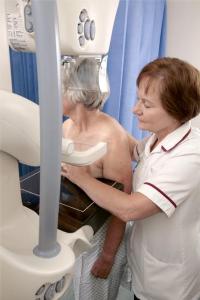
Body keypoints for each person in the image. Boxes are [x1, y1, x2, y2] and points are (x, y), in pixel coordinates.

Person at [62, 57, 200, 300]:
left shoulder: (191, 156)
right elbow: (135, 148)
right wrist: (102, 125)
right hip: (144, 260)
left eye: (146, 104)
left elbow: (129, 208)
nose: (135, 109)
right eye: (138, 99)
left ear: (176, 109)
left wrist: (80, 176)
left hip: (170, 283)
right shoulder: (157, 138)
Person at [61, 57, 133, 299]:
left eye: (57, 88)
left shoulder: (112, 137)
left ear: (75, 92)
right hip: (76, 226)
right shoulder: (66, 128)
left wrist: (108, 256)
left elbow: (122, 207)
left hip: (103, 235)